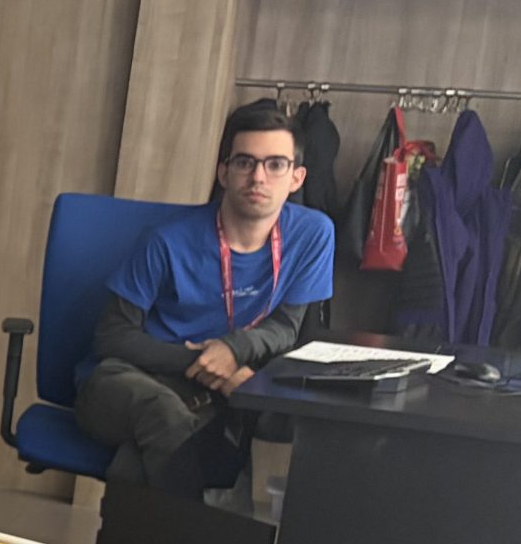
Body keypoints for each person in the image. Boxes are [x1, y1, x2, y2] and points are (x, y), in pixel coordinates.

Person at [76, 100, 336, 497]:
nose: (258, 177)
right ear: (224, 172)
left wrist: (234, 351)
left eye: (275, 164)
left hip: (208, 393)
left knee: (144, 458)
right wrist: (210, 366)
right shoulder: (167, 241)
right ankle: (188, 534)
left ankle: (152, 535)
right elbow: (112, 337)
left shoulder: (313, 235)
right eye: (245, 162)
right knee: (163, 415)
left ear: (296, 177)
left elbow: (287, 326)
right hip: (128, 379)